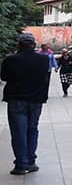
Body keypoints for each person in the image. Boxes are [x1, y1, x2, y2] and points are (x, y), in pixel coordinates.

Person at [3, 32, 52, 175]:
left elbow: (4, 77)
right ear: (33, 44)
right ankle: (31, 161)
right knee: (32, 130)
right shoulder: (43, 59)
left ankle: (21, 164)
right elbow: (45, 77)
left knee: (19, 132)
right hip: (36, 100)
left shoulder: (10, 60)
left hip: (16, 101)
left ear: (19, 45)